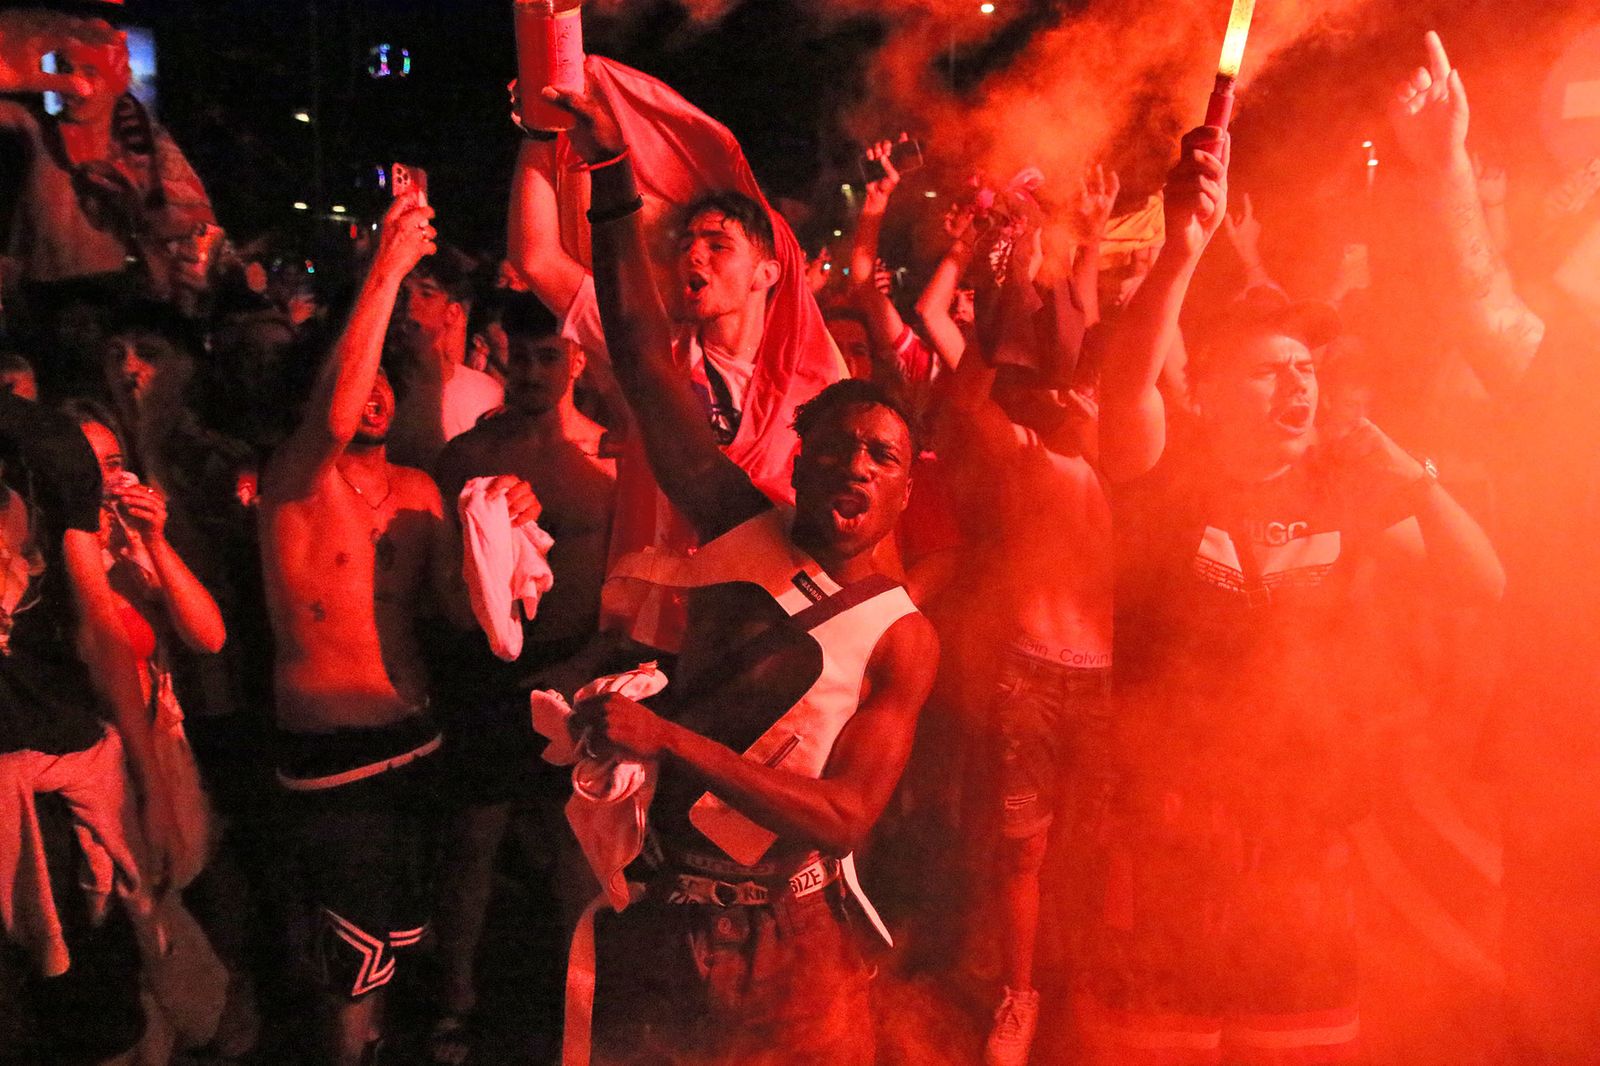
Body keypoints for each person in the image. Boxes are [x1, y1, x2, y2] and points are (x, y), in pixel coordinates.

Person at [1087, 122, 1505, 1064]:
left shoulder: (1344, 492)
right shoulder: (1168, 478)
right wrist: (1183, 256)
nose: (1300, 387)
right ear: (1220, 389)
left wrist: (1412, 469)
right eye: (1274, 370)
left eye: (1309, 371)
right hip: (1170, 846)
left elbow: (1485, 580)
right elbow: (1126, 390)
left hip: (1302, 851)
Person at [542, 82, 939, 1064]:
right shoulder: (733, 522)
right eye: (836, 444)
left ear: (903, 490)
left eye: (881, 455)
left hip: (794, 935)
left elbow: (846, 817)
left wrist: (667, 736)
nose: (854, 463)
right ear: (795, 457)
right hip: (664, 911)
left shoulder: (901, 636)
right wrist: (608, 178)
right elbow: (638, 358)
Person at [258, 189, 536, 1066]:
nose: (373, 393)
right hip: (335, 766)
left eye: (387, 376)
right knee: (351, 971)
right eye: (358, 374)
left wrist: (503, 534)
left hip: (421, 745)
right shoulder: (295, 486)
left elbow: (458, 619)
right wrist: (386, 266)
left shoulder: (418, 493)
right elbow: (333, 417)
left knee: (401, 952)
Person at [427, 292, 617, 1063]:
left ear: (574, 359)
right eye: (520, 354)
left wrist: (599, 669)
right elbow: (443, 581)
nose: (533, 370)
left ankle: (578, 1012)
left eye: (549, 355)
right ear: (500, 353)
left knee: (577, 853)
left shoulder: (609, 456)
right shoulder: (470, 455)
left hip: (578, 675)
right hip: (486, 678)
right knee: (474, 841)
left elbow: (626, 575)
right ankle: (453, 1004)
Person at [0, 388, 152, 1066]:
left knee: (93, 1014)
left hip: (52, 786)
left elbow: (98, 626)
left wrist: (154, 790)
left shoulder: (45, 445)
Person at [0, 12, 217, 391]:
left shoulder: (146, 151)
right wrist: (16, 76)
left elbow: (193, 227)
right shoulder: (36, 128)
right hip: (35, 301)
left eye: (91, 71)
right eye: (66, 69)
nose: (76, 84)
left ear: (117, 80)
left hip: (110, 303)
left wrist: (138, 213)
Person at [385, 246, 505, 470]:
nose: (411, 306)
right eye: (403, 294)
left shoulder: (484, 392)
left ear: (452, 312)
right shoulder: (379, 385)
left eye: (427, 294)